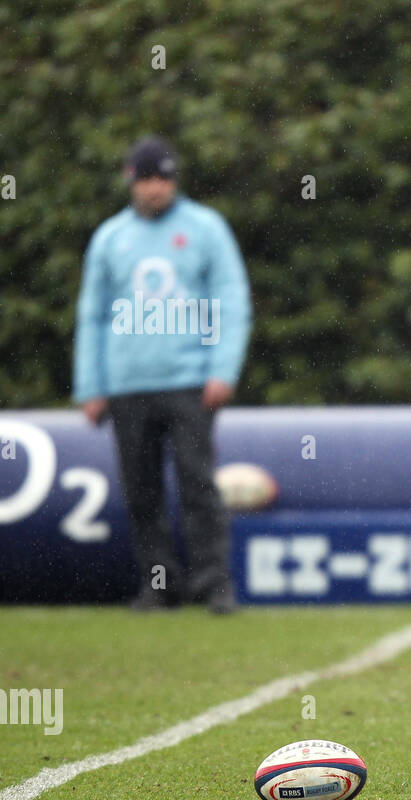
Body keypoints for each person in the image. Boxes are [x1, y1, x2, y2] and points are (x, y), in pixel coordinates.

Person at [73, 137, 252, 614]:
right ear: (132, 180)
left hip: (190, 379)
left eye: (165, 178)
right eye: (148, 178)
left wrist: (222, 368)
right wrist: (91, 385)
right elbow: (92, 314)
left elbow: (231, 301)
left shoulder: (205, 228)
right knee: (141, 490)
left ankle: (214, 585)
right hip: (127, 382)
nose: (157, 188)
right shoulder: (111, 237)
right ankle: (159, 586)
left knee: (198, 485)